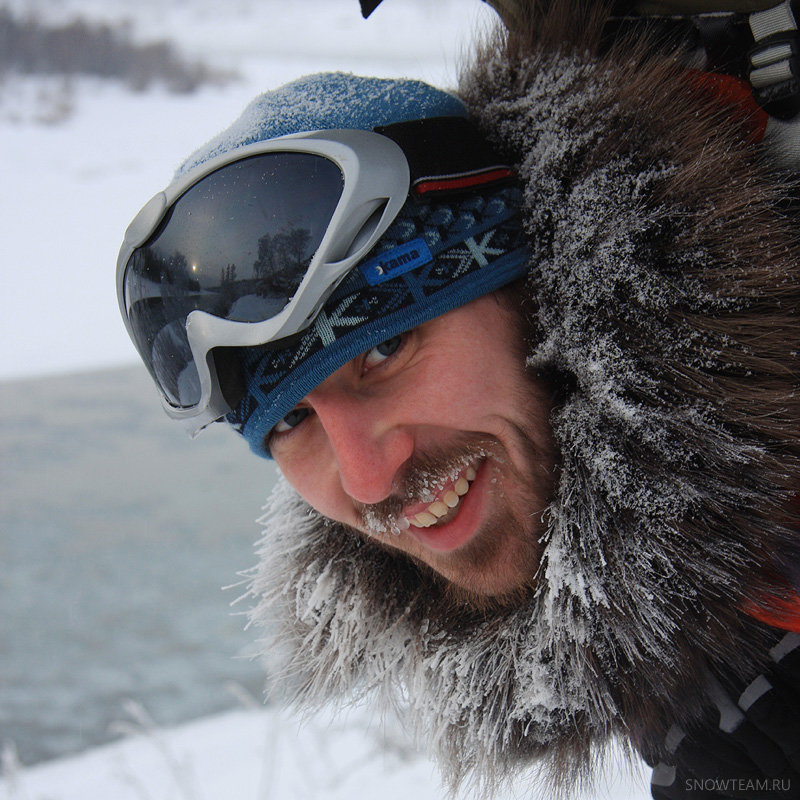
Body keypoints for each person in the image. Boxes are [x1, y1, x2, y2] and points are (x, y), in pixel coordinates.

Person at [116, 0, 800, 796]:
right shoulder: (678, 639)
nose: (369, 480)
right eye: (293, 419)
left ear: (542, 290)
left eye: (383, 350)